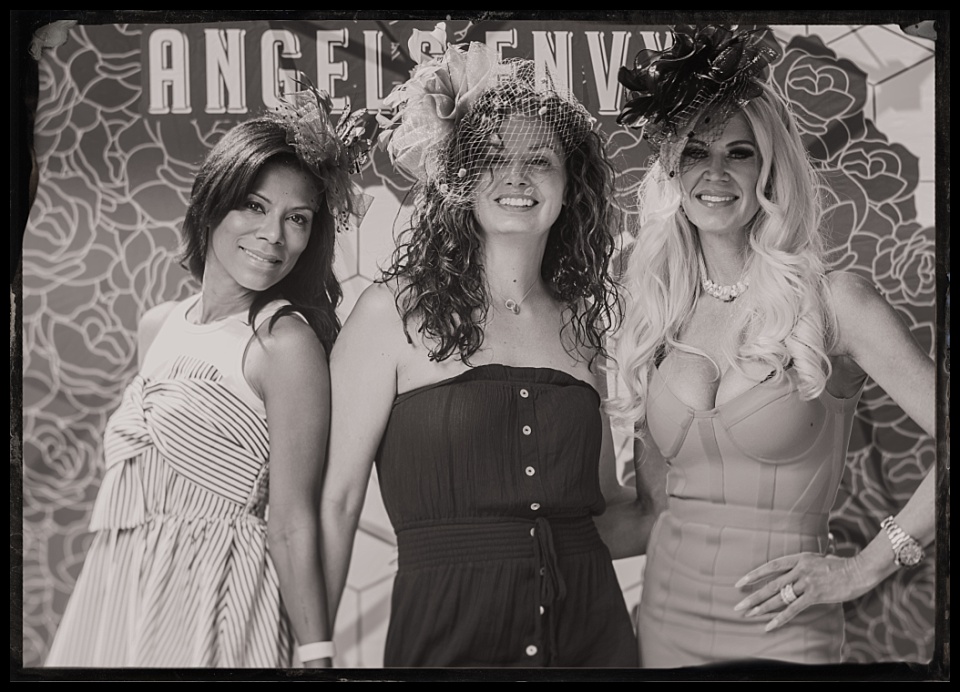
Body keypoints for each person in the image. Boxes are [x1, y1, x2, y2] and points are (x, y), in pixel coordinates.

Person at [608, 25, 937, 667]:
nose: (715, 173)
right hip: (662, 632)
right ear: (673, 167)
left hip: (788, 639)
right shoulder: (659, 309)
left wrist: (867, 566)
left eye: (739, 153)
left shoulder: (835, 302)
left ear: (769, 165)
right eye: (697, 152)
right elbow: (651, 510)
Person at [319, 37, 645, 667]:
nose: (516, 177)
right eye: (492, 157)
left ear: (569, 186)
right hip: (445, 639)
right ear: (459, 181)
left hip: (589, 638)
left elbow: (602, 511)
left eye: (540, 160)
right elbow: (334, 503)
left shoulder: (584, 325)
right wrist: (311, 651)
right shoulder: (391, 313)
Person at [44, 87, 371, 668]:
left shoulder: (283, 343)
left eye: (297, 219)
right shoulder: (157, 326)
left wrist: (317, 658)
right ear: (211, 204)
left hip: (219, 603)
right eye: (254, 204)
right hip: (120, 589)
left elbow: (292, 522)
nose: (274, 234)